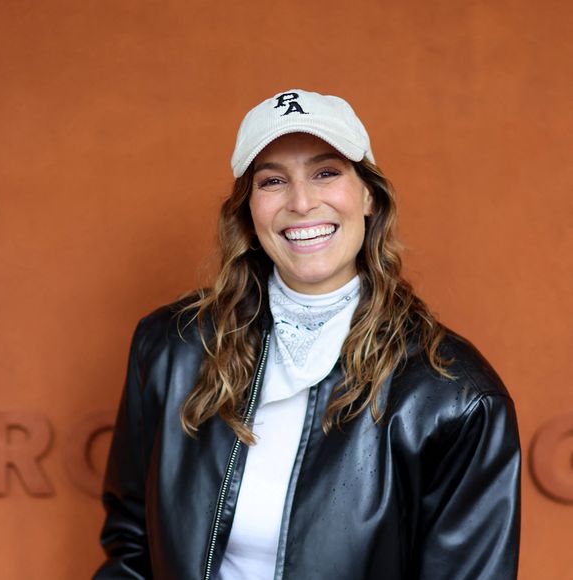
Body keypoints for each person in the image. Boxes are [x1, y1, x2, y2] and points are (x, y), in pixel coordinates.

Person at [94, 89, 521, 580]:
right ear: (248, 213)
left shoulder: (453, 394)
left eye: (326, 172)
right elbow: (131, 542)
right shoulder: (172, 348)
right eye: (272, 181)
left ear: (368, 195)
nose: (301, 202)